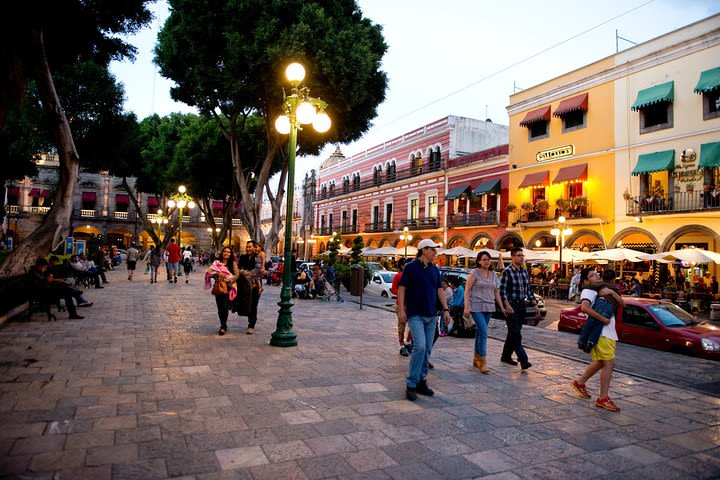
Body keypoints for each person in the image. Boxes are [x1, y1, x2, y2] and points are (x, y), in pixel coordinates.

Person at [397, 239, 452, 401]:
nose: (436, 252)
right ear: (424, 250)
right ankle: (411, 384)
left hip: (431, 314)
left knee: (427, 348)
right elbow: (402, 289)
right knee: (419, 347)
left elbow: (439, 289)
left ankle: (422, 381)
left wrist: (446, 309)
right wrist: (401, 310)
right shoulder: (411, 268)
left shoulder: (434, 269)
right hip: (415, 314)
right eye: (433, 250)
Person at [571, 268, 625, 412]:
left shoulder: (603, 289)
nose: (597, 276)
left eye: (597, 274)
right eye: (592, 275)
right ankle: (603, 398)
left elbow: (622, 304)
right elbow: (584, 308)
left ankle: (580, 382)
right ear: (586, 281)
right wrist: (603, 319)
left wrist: (612, 293)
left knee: (601, 362)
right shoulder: (589, 290)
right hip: (602, 333)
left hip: (608, 332)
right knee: (608, 364)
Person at [463, 251, 505, 374]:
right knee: (484, 331)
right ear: (479, 261)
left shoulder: (493, 274)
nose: (487, 261)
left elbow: (496, 292)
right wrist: (466, 306)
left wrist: (501, 306)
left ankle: (476, 358)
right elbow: (467, 290)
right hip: (476, 306)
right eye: (484, 259)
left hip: (489, 306)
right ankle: (483, 360)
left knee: (480, 331)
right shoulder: (474, 273)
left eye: (488, 259)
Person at [499, 247, 539, 370]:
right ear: (512, 257)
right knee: (516, 333)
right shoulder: (507, 271)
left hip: (521, 305)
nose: (521, 257)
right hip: (511, 304)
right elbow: (503, 291)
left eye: (522, 255)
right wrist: (507, 305)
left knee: (513, 332)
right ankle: (523, 359)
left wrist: (535, 304)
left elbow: (528, 290)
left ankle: (505, 356)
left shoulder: (524, 271)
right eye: (518, 255)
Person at [205, 246, 238, 336]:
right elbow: (209, 272)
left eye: (228, 252)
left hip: (229, 288)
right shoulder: (217, 263)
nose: (226, 253)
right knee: (220, 307)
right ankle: (223, 324)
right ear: (222, 253)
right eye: (224, 252)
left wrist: (228, 279)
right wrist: (217, 274)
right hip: (219, 287)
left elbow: (236, 275)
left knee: (224, 307)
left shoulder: (233, 264)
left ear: (230, 254)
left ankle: (223, 326)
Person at [391, 258, 412, 357]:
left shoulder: (413, 276)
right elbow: (393, 289)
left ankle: (408, 342)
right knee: (402, 324)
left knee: (413, 325)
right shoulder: (398, 276)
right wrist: (402, 292)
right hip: (401, 304)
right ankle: (401, 345)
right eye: (406, 264)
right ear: (401, 266)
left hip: (412, 304)